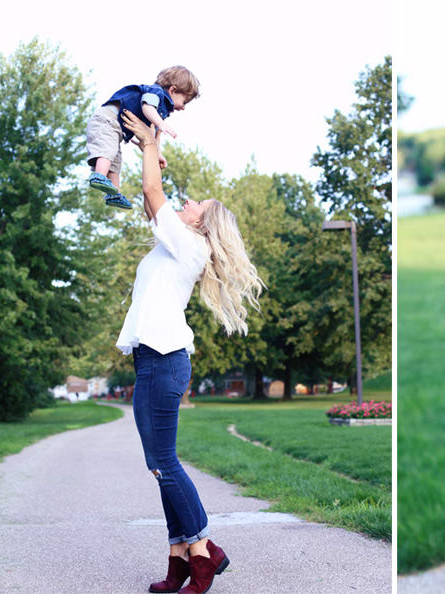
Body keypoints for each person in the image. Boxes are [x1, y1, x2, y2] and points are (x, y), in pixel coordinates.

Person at [116, 109, 264, 594]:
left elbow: (153, 194)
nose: (189, 200)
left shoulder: (191, 248)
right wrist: (146, 150)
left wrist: (153, 142)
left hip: (164, 360)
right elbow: (151, 202)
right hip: (150, 361)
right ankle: (179, 555)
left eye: (198, 203)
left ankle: (204, 551)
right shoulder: (172, 243)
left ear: (203, 224)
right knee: (157, 464)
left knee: (166, 462)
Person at [86, 65, 200, 209]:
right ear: (173, 90)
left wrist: (157, 154)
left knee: (115, 161)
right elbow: (147, 108)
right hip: (107, 120)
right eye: (184, 102)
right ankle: (99, 175)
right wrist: (162, 123)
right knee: (108, 151)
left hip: (116, 130)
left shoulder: (161, 111)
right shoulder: (155, 92)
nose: (183, 107)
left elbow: (153, 133)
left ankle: (114, 194)